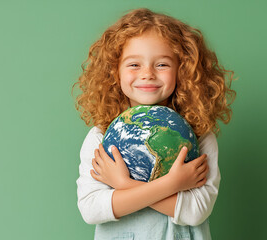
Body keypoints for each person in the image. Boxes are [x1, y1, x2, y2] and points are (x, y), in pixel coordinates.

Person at [72, 8, 236, 240]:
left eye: (161, 65)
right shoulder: (101, 136)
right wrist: (173, 184)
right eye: (134, 65)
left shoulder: (198, 135)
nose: (147, 74)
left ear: (183, 70)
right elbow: (91, 209)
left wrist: (123, 184)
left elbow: (196, 212)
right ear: (114, 72)